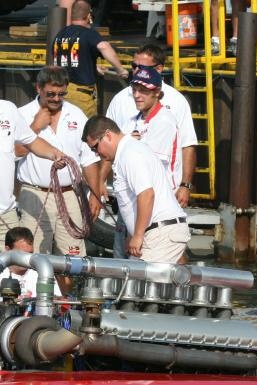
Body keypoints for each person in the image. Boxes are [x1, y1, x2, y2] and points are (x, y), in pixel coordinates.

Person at [0, 57, 67, 284]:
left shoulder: (8, 109)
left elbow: (31, 141)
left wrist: (54, 154)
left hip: (5, 210)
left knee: (8, 273)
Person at [16, 65, 101, 294]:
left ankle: (65, 303)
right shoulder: (22, 114)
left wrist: (95, 195)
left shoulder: (77, 114)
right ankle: (34, 303)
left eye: (61, 94)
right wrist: (35, 126)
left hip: (70, 194)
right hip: (34, 194)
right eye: (50, 94)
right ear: (38, 88)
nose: (56, 99)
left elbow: (89, 160)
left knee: (72, 259)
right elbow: (14, 152)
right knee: (32, 257)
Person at [82, 116, 190, 263]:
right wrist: (133, 235)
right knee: (133, 275)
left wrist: (138, 235)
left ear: (108, 135)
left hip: (160, 233)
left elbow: (146, 194)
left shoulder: (130, 154)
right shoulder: (127, 152)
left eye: (95, 147)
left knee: (141, 278)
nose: (96, 153)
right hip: (155, 232)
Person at [105, 44, 196, 207]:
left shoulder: (175, 102)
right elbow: (106, 145)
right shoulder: (119, 99)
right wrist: (100, 181)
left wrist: (185, 185)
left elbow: (188, 145)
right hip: (127, 194)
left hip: (162, 194)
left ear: (159, 68)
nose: (136, 71)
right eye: (134, 66)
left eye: (141, 67)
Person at [51, 0, 129, 117]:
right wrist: (120, 69)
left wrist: (93, 67)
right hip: (81, 96)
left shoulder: (60, 34)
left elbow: (65, 60)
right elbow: (104, 46)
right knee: (86, 126)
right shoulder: (88, 33)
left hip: (61, 92)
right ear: (88, 16)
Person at [127, 66, 183, 193]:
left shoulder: (164, 121)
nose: (136, 95)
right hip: (143, 192)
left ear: (157, 92)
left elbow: (149, 163)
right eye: (134, 89)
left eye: (143, 90)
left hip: (161, 195)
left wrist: (128, 144)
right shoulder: (133, 120)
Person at [0, 227, 41, 304]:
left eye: (30, 253)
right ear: (8, 250)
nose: (27, 258)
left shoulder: (41, 274)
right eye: (22, 254)